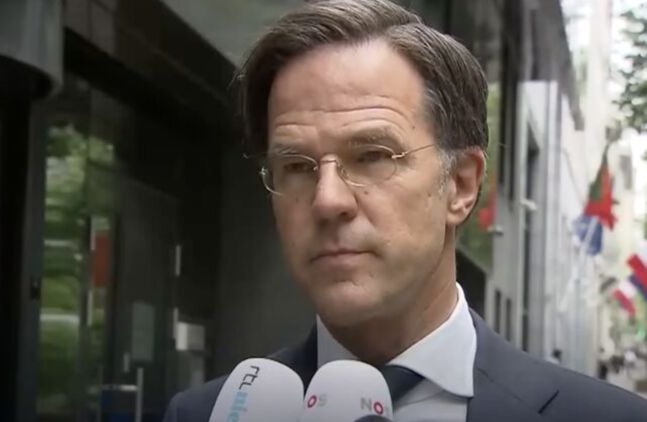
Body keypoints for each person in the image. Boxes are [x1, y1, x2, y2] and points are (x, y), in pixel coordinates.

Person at [163, 1, 647, 420]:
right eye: (296, 166)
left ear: (461, 185)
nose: (328, 200)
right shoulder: (203, 414)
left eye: (372, 156)